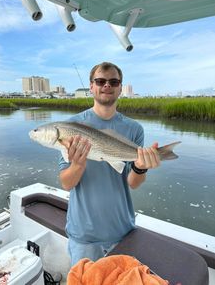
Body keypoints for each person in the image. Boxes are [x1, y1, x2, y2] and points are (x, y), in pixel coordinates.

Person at [59, 62, 160, 266]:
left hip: (122, 231)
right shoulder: (71, 126)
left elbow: (133, 182)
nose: (107, 85)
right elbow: (66, 183)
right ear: (91, 86)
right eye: (100, 81)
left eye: (113, 82)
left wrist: (141, 166)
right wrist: (78, 165)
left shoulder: (134, 129)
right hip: (83, 234)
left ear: (120, 88)